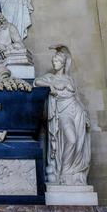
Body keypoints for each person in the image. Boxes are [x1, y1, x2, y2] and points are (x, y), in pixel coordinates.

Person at [37, 44, 91, 186]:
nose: (54, 63)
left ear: (63, 63)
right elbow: (37, 82)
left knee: (79, 142)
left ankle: (74, 174)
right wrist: (50, 86)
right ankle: (65, 172)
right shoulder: (50, 77)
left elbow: (77, 97)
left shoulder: (70, 79)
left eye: (56, 61)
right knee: (72, 139)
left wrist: (84, 113)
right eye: (53, 61)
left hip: (76, 110)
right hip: (62, 112)